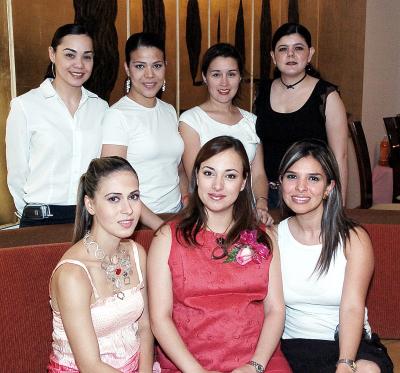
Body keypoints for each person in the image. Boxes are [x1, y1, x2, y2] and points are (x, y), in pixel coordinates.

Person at [148, 136, 291, 373]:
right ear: (196, 176)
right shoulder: (167, 238)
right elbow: (159, 319)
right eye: (209, 173)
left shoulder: (264, 237)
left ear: (244, 182)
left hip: (257, 361)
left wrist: (255, 365)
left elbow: (275, 310)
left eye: (230, 176)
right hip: (187, 364)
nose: (217, 185)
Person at [277, 140, 394, 373]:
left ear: (329, 188)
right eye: (292, 177)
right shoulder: (274, 237)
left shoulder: (353, 239)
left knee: (367, 370)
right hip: (291, 346)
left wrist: (345, 362)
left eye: (313, 178)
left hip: (347, 343)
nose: (301, 187)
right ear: (280, 182)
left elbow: (352, 307)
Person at [47, 156, 160, 373]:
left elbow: (145, 328)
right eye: (114, 199)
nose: (128, 209)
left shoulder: (137, 253)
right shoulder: (73, 275)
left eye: (133, 197)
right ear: (90, 204)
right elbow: (89, 365)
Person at [6, 23, 108, 227]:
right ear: (52, 54)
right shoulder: (25, 106)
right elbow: (17, 174)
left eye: (87, 56)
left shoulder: (101, 108)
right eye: (70, 55)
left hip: (89, 219)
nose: (79, 64)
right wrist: (30, 213)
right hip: (40, 220)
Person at [254, 22, 348, 209]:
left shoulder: (327, 96)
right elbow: (257, 151)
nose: (290, 54)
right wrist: (260, 200)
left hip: (310, 196)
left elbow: (340, 157)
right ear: (273, 56)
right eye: (283, 49)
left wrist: (339, 208)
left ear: (310, 54)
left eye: (298, 48)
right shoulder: (262, 92)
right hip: (269, 196)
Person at [179, 43, 272, 225]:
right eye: (216, 74)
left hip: (248, 216)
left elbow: (258, 173)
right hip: (208, 218)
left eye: (231, 74)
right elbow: (195, 177)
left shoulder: (251, 121)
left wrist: (261, 204)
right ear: (205, 78)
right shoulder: (191, 120)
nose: (224, 82)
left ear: (240, 77)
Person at [101, 32, 186, 230]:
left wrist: (187, 201)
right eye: (140, 66)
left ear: (165, 66)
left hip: (174, 216)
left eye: (156, 66)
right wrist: (158, 225)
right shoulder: (117, 115)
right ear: (127, 69)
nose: (149, 75)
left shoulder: (169, 110)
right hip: (137, 222)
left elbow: (177, 168)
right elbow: (113, 182)